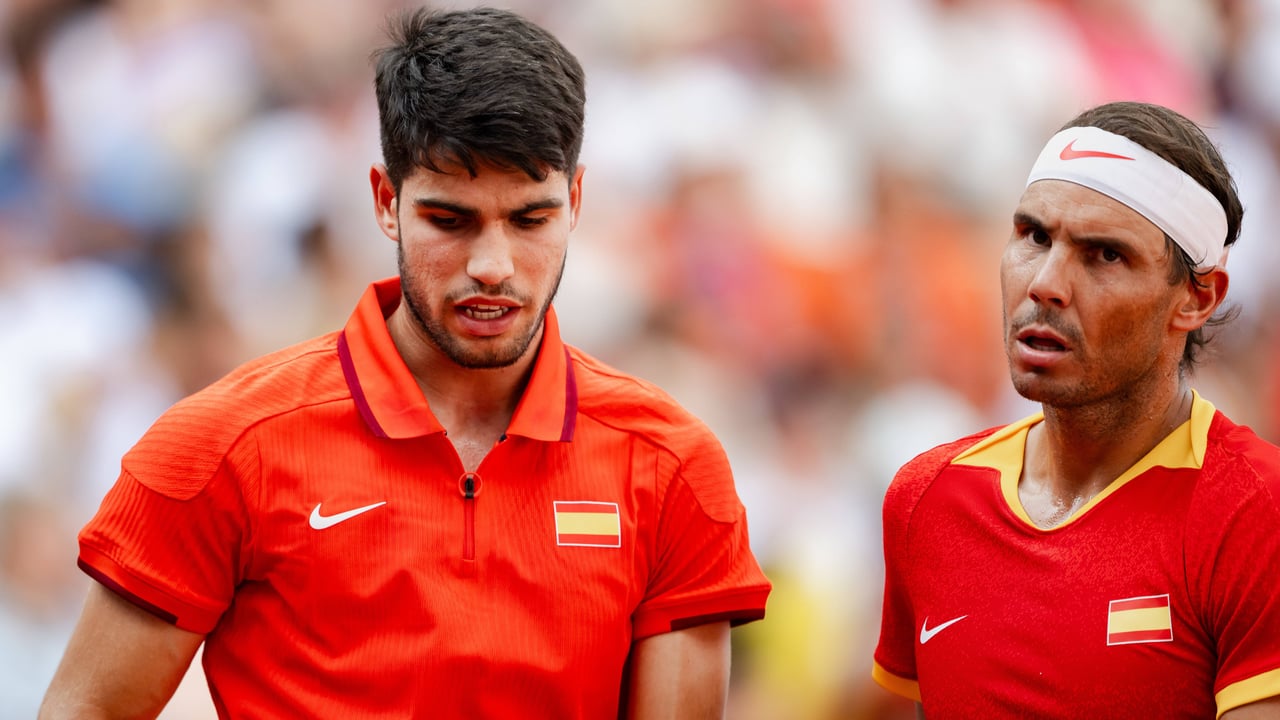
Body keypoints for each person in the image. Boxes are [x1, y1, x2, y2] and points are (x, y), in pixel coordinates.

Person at [38, 7, 771, 719]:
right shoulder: (219, 447)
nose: (493, 265)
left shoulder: (673, 466)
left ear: (575, 201)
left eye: (530, 219)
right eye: (450, 219)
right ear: (386, 201)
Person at [872, 100, 1280, 718]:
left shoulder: (1257, 514)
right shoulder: (926, 498)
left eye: (1104, 255)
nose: (1045, 283)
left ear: (1197, 298)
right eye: (1033, 236)